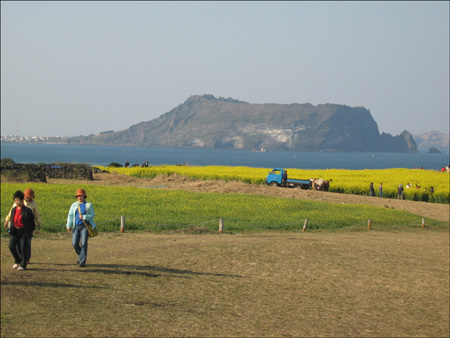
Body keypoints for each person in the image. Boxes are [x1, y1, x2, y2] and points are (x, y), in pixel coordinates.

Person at [4, 188, 42, 264]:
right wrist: (7, 220)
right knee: (17, 244)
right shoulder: (18, 202)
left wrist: (38, 222)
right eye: (26, 196)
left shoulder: (34, 203)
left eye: (29, 197)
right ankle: (20, 257)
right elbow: (12, 212)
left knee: (27, 243)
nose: (27, 198)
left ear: (32, 197)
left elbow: (36, 214)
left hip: (28, 227)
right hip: (17, 227)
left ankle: (27, 258)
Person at [66, 188, 96, 267]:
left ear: (84, 196)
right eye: (78, 196)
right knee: (74, 243)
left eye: (81, 196)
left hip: (85, 227)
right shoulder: (74, 205)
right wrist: (68, 225)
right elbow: (70, 215)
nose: (80, 198)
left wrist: (84, 217)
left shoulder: (88, 205)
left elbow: (92, 215)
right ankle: (81, 255)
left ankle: (82, 262)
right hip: (76, 226)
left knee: (84, 243)